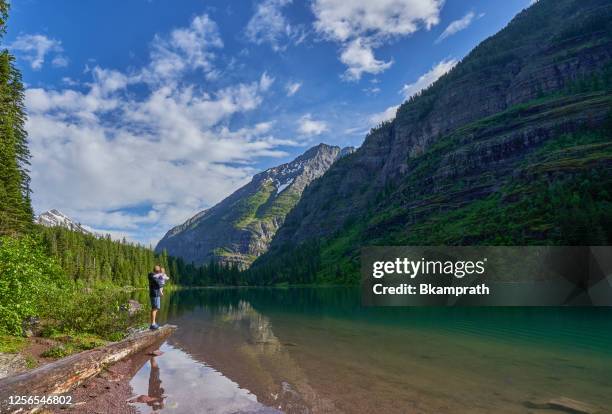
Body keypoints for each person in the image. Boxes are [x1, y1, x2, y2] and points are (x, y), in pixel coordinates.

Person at [148, 265, 163, 330]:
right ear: (158, 271)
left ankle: (153, 323)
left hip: (155, 294)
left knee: (155, 308)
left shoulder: (153, 276)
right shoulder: (153, 276)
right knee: (155, 308)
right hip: (155, 294)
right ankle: (153, 324)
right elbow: (159, 284)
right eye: (159, 271)